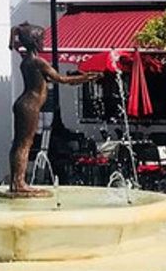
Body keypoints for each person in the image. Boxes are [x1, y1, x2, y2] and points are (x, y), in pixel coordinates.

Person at [8, 23, 101, 196]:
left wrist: (14, 33)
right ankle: (19, 183)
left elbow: (14, 45)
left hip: (24, 104)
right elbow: (60, 79)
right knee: (24, 144)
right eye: (42, 38)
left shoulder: (26, 58)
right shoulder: (38, 62)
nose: (44, 41)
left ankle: (16, 181)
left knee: (19, 144)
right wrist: (85, 78)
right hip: (30, 106)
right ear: (35, 40)